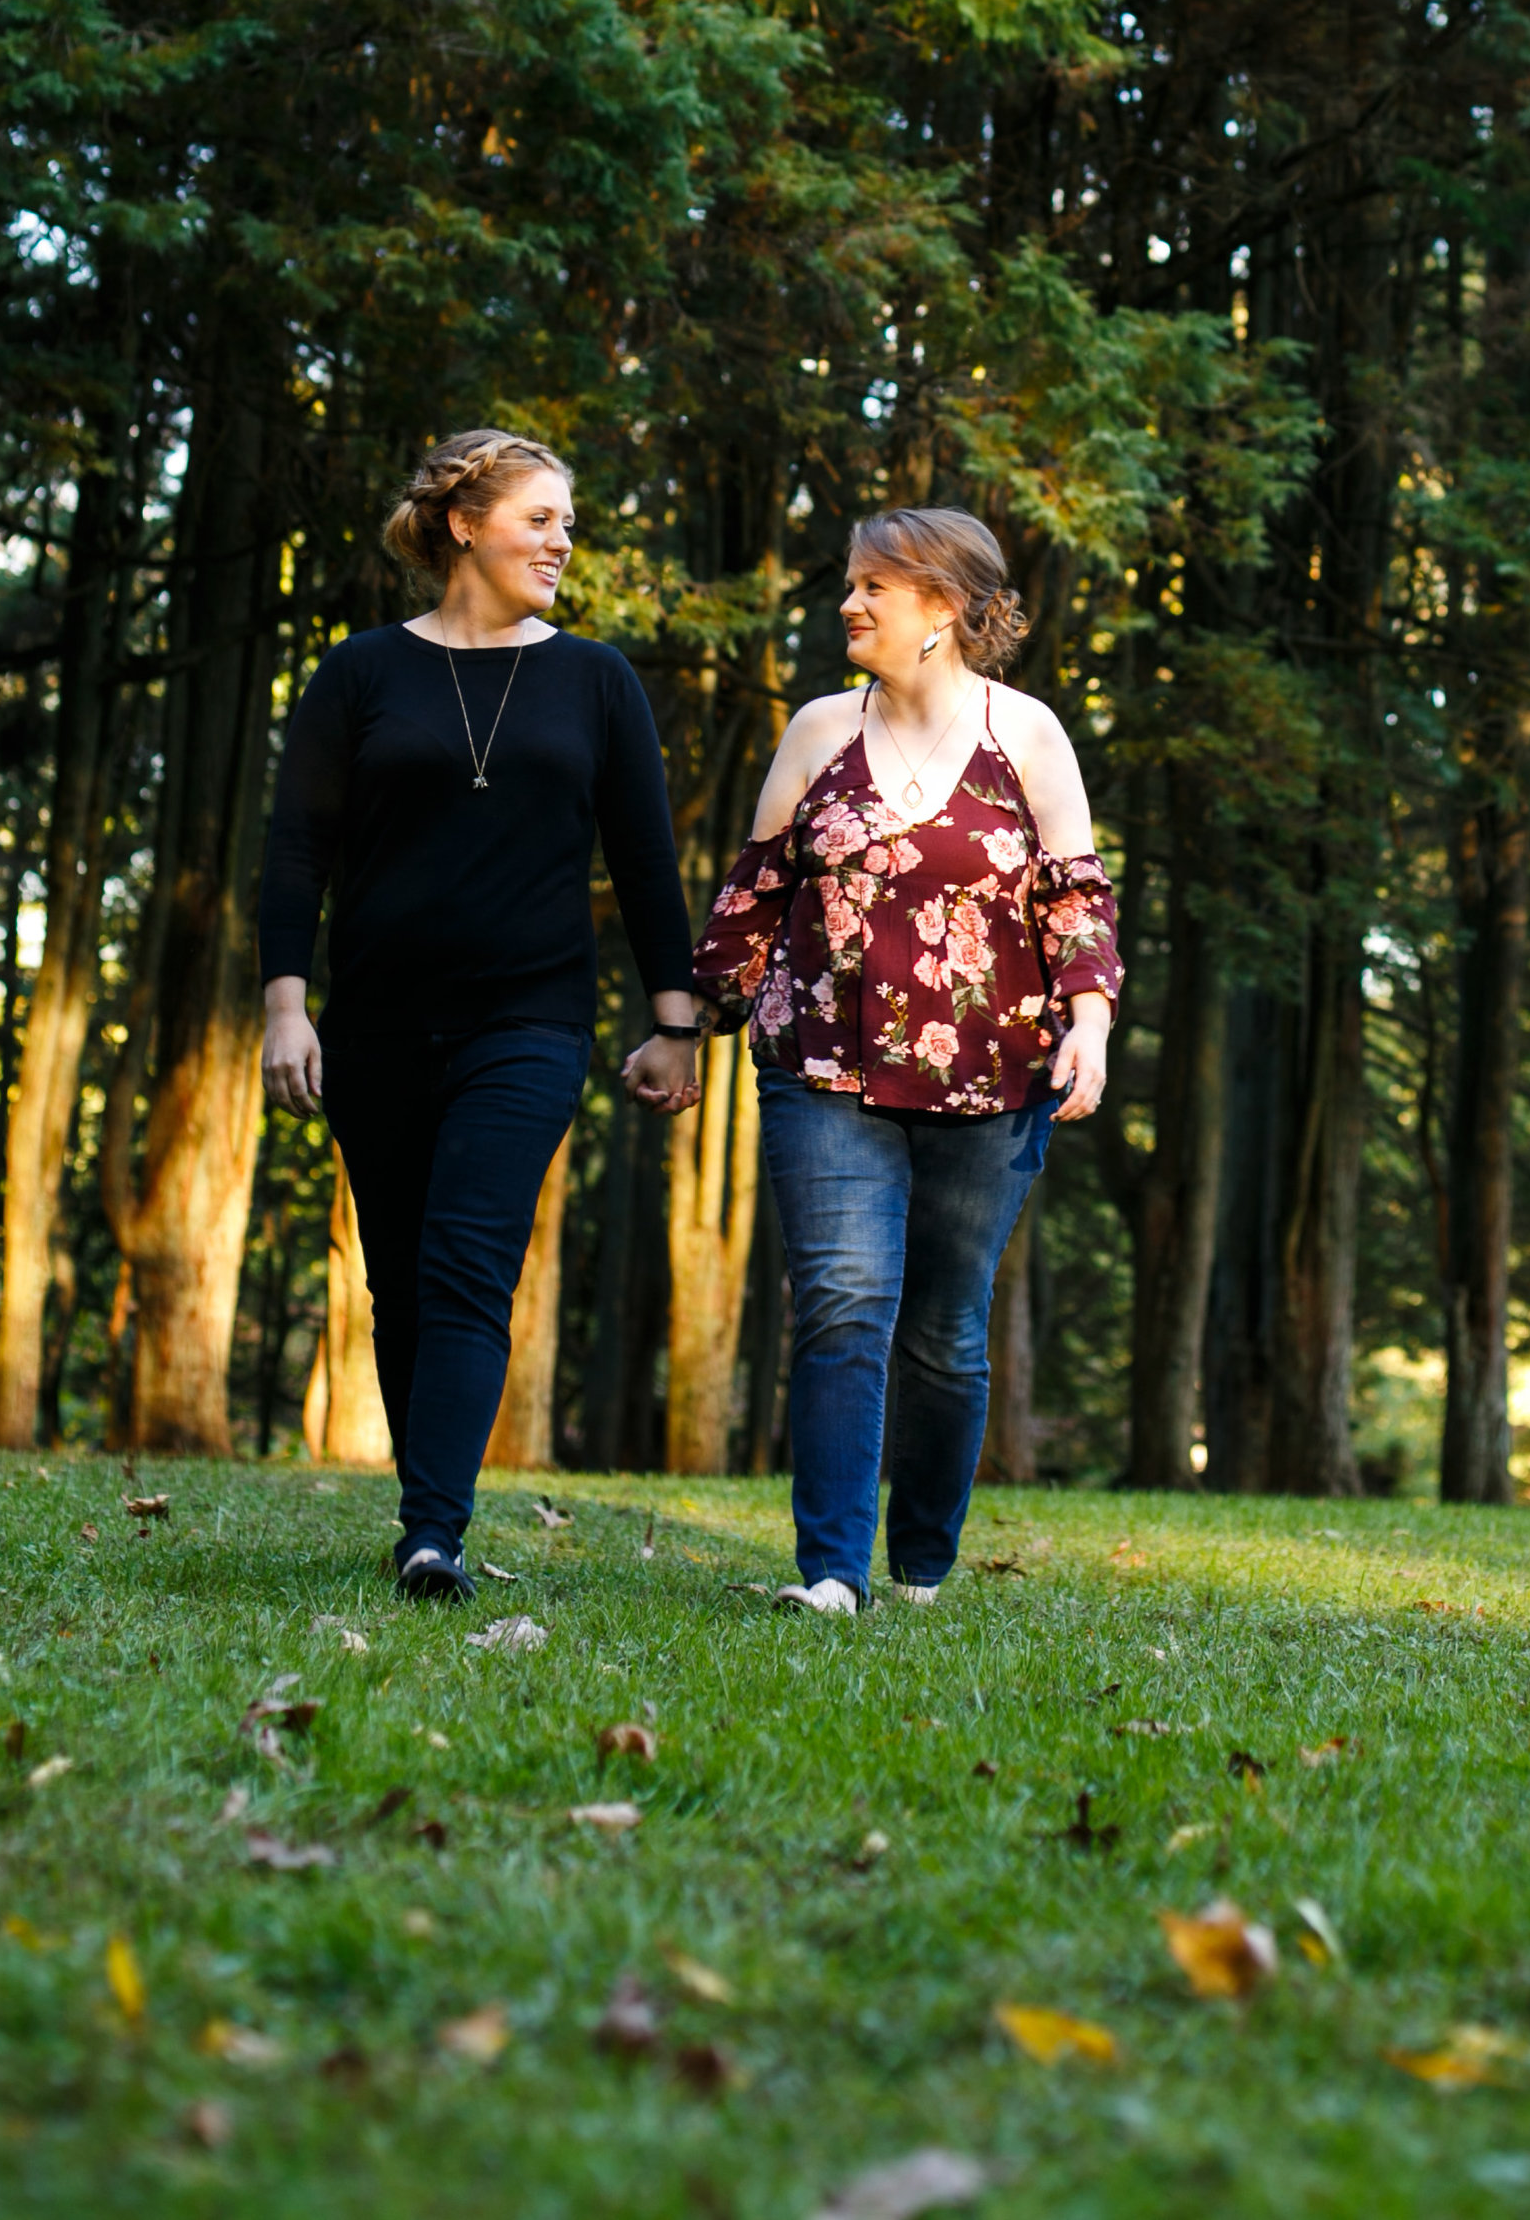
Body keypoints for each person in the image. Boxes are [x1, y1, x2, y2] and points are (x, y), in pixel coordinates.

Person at [627, 508, 1120, 1610]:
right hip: (822, 1066)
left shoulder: (1027, 734)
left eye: (873, 587)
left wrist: (1087, 1024)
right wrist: (680, 1029)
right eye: (849, 584)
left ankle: (922, 1566)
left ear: (942, 607)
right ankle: (832, 1573)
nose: (847, 603)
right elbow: (753, 900)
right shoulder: (815, 732)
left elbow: (1076, 899)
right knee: (844, 1303)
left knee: (945, 1333)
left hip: (991, 1076)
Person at [259, 430, 698, 1599]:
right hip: (376, 1027)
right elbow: (297, 846)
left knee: (466, 1263)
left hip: (530, 1022)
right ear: (465, 524)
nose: (564, 540)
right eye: (541, 518)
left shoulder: (596, 678)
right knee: (398, 1280)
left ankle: (431, 1534)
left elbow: (646, 861)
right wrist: (286, 1006)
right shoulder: (358, 674)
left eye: (568, 520)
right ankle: (426, 1513)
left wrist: (676, 1022)